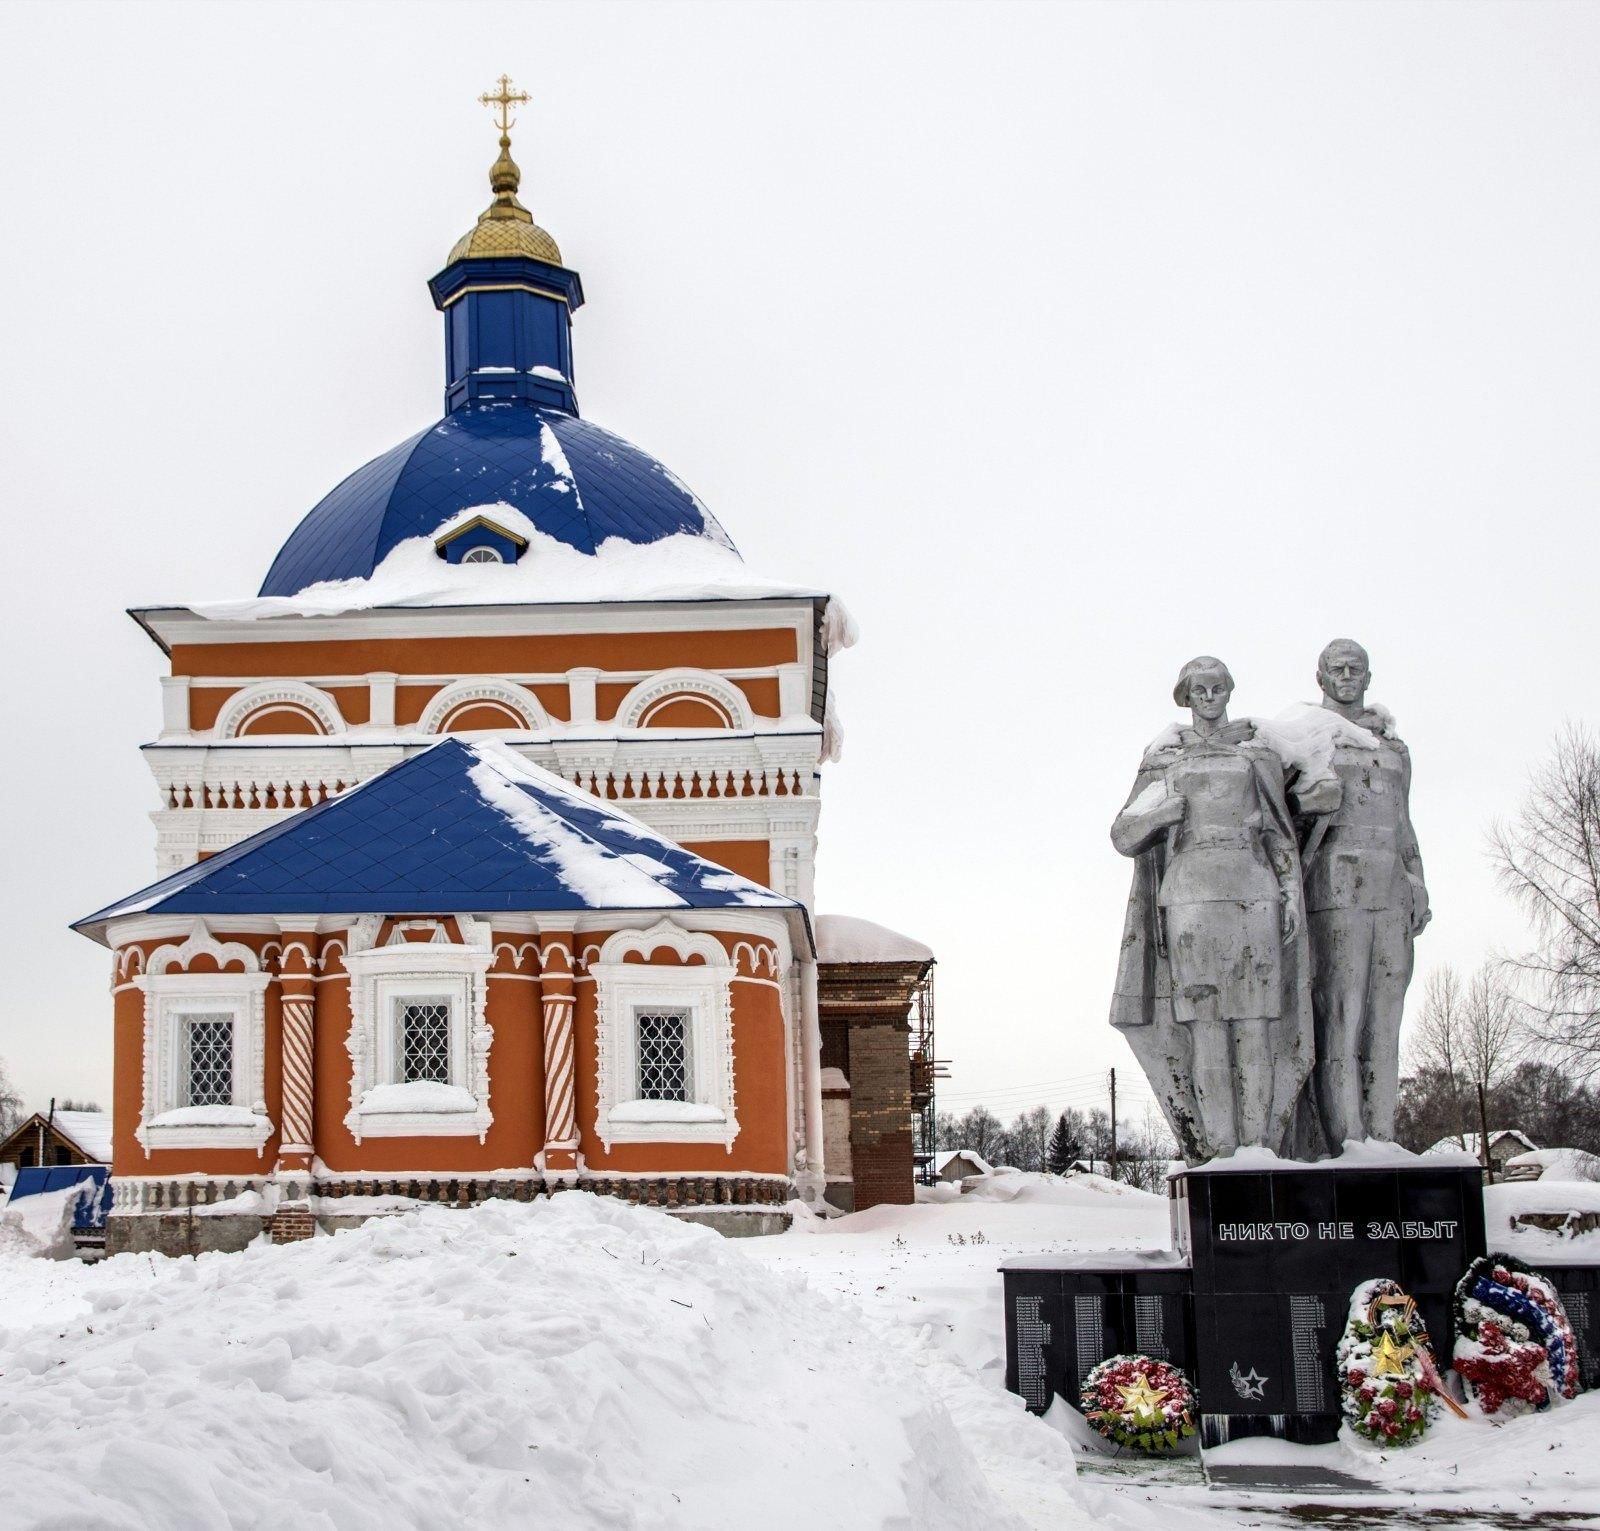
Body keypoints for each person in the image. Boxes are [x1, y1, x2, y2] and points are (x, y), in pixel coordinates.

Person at [1109, 656, 1314, 1159]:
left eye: (1217, 686)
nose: (1209, 696)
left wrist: (1290, 893)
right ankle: (1222, 1149)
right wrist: (1159, 812)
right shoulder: (1165, 757)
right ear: (1184, 695)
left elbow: (1278, 834)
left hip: (1253, 890)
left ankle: (1257, 1145)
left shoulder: (1255, 752)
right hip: (1190, 896)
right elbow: (1122, 834)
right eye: (1198, 688)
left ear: (1229, 691)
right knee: (1204, 1028)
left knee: (1254, 1024)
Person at [1300, 640, 1429, 1146]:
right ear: (1321, 677)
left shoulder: (1394, 749)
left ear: (1369, 677)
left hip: (1390, 889)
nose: (1347, 675)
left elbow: (1405, 823)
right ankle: (1346, 1144)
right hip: (1333, 890)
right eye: (1338, 668)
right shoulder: (1311, 740)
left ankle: (1382, 1138)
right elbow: (1285, 816)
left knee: (1385, 1021)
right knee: (1342, 1016)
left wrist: (1417, 878)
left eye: (1356, 669)